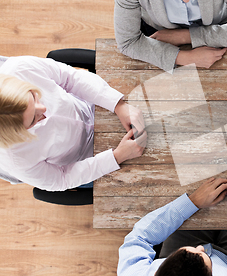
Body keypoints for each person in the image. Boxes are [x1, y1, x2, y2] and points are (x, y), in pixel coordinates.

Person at [0, 55, 147, 191]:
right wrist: (116, 157)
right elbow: (62, 179)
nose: (44, 108)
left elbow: (70, 79)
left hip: (90, 104)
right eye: (33, 119)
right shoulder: (15, 160)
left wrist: (117, 105)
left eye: (33, 96)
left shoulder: (20, 68)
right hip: (85, 161)